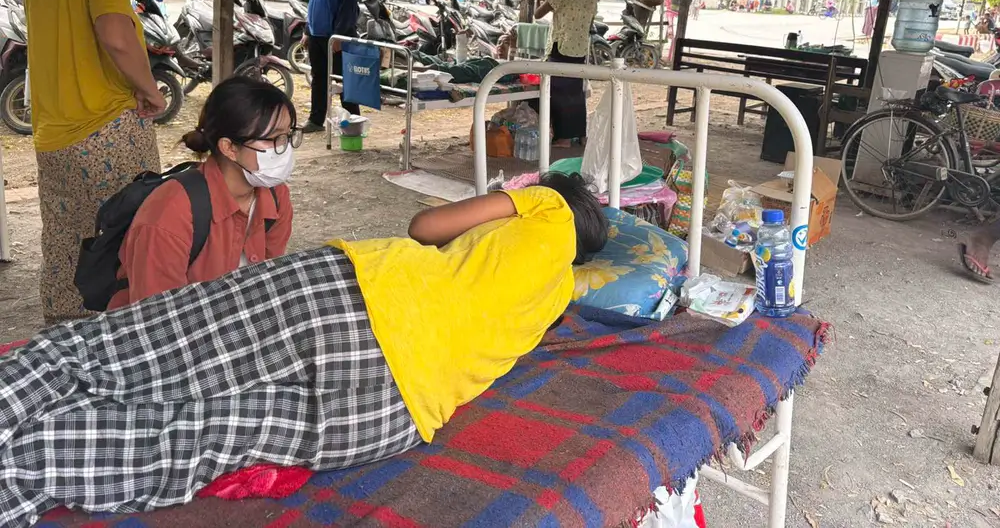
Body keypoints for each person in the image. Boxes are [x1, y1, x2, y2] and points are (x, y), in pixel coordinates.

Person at [0, 172, 607, 525]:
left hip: (357, 304)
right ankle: (20, 478)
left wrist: (507, 204)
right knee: (188, 440)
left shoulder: (549, 207)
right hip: (390, 416)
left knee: (134, 347)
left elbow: (425, 228)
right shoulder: (558, 298)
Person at [18, 0, 165, 324]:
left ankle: (64, 333)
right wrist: (150, 91)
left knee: (66, 242)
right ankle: (122, 336)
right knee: (123, 241)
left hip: (54, 138)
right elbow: (117, 38)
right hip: (108, 134)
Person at [106, 76, 296, 310]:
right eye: (274, 138)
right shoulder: (169, 214)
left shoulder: (276, 196)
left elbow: (269, 282)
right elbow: (158, 318)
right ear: (229, 148)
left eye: (287, 136)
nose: (284, 148)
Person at [534, 0, 599, 147]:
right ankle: (580, 135)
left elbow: (538, 14)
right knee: (576, 93)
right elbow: (590, 24)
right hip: (580, 50)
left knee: (558, 93)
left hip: (560, 48)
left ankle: (563, 138)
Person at [302, 0, 360, 134]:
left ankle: (353, 124)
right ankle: (316, 120)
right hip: (317, 35)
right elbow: (314, 2)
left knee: (344, 82)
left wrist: (339, 35)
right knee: (319, 78)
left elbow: (348, 4)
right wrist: (307, 31)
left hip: (334, 38)